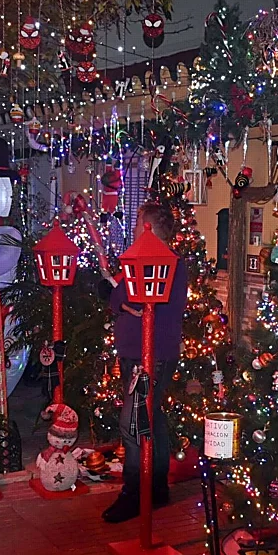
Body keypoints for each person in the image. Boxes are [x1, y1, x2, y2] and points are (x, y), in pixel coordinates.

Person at [101, 202, 188, 523]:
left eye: (139, 224)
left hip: (151, 355)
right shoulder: (144, 261)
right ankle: (157, 487)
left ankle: (135, 493)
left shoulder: (166, 264)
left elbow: (130, 298)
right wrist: (123, 300)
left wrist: (125, 300)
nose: (135, 230)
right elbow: (118, 298)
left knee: (133, 423)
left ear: (149, 228)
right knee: (154, 417)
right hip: (135, 351)